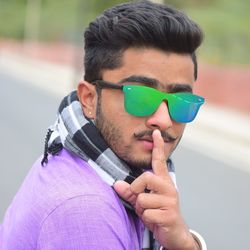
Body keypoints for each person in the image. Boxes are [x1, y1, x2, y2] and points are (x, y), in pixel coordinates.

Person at [0, 0, 207, 249]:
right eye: (141, 97)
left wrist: (184, 242)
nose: (163, 120)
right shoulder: (85, 210)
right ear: (89, 98)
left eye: (181, 102)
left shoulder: (81, 156)